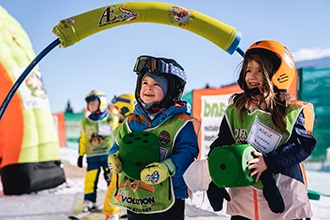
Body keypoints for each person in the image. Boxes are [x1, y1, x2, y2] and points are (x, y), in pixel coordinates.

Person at [206, 40, 316, 220]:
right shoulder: (235, 110)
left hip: (284, 202)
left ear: (277, 73)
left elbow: (303, 145)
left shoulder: (292, 111)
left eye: (259, 70)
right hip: (244, 202)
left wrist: (269, 162)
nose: (252, 76)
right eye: (248, 70)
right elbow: (222, 143)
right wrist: (215, 175)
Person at [107, 55, 200, 220]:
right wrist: (114, 157)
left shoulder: (180, 123)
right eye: (145, 83)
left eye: (156, 84)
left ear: (171, 91)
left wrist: (168, 167)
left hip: (170, 198)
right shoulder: (131, 123)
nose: (148, 88)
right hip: (136, 196)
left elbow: (188, 151)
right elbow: (118, 145)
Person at [77, 90, 119, 214]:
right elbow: (83, 138)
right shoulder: (85, 122)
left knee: (112, 180)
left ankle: (113, 202)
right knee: (90, 180)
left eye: (94, 102)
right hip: (92, 157)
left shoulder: (112, 118)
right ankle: (89, 201)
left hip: (108, 156)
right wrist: (80, 155)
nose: (91, 105)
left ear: (102, 102)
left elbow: (119, 134)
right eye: (89, 103)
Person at [102, 93, 136, 220]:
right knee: (120, 188)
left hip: (127, 163)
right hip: (123, 163)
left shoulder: (127, 125)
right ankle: (113, 211)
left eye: (118, 109)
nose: (116, 112)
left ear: (125, 109)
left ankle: (117, 211)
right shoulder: (122, 125)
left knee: (123, 188)